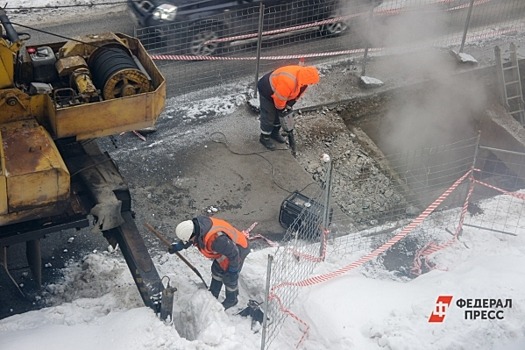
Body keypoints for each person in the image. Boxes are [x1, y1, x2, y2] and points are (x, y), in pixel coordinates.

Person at [169, 216, 250, 309]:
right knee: (217, 270)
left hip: (238, 250)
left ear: (193, 235)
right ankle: (213, 293)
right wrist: (178, 247)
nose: (188, 242)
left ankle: (232, 299)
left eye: (188, 239)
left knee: (229, 277)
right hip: (226, 249)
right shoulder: (197, 228)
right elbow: (190, 239)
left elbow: (234, 254)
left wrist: (233, 271)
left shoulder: (216, 240)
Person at [257, 64, 320, 150]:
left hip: (280, 92)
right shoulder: (289, 81)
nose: (311, 84)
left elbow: (298, 93)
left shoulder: (303, 80)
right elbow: (279, 98)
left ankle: (274, 133)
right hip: (267, 89)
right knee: (269, 116)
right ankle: (264, 137)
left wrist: (290, 105)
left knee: (279, 117)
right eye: (311, 82)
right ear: (306, 79)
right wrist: (281, 109)